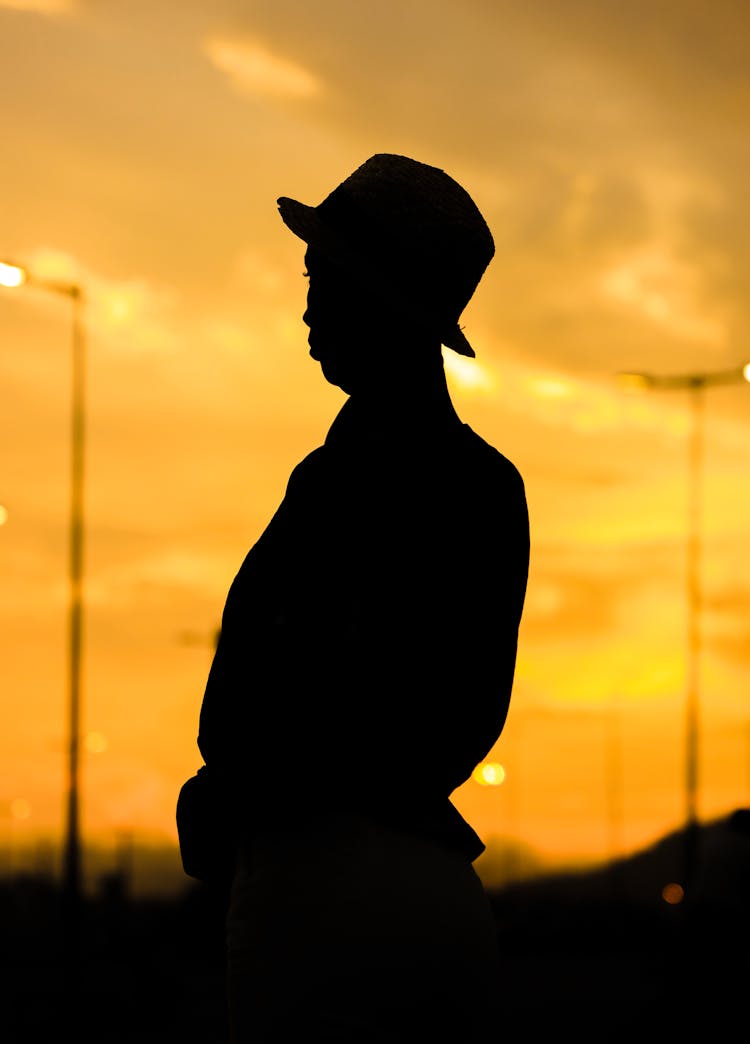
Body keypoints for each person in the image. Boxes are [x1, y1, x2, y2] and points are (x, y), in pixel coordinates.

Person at [180, 153, 530, 1042]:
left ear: (376, 298)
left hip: (318, 902)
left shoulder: (339, 485)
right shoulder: (487, 485)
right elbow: (457, 719)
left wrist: (230, 793)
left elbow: (292, 694)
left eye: (320, 276)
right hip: (438, 898)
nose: (306, 304)